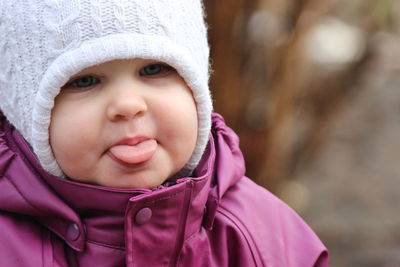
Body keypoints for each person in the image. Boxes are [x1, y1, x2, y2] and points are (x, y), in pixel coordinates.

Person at [0, 0, 328, 266]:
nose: (128, 105)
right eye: (84, 80)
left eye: (153, 69)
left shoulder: (258, 232)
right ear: (27, 114)